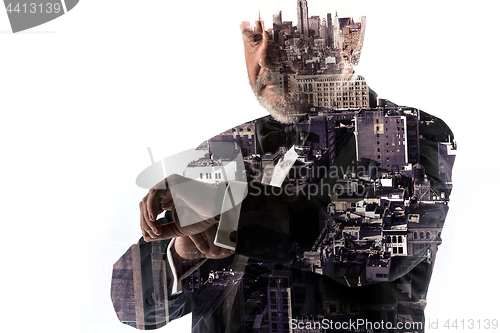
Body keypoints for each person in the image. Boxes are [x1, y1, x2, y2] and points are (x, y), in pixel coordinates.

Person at [111, 4, 456, 332]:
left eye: (287, 37)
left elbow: (372, 247)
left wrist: (226, 213)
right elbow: (130, 305)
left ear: (349, 38)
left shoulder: (411, 134)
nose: (264, 58)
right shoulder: (226, 148)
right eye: (255, 38)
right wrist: (183, 251)